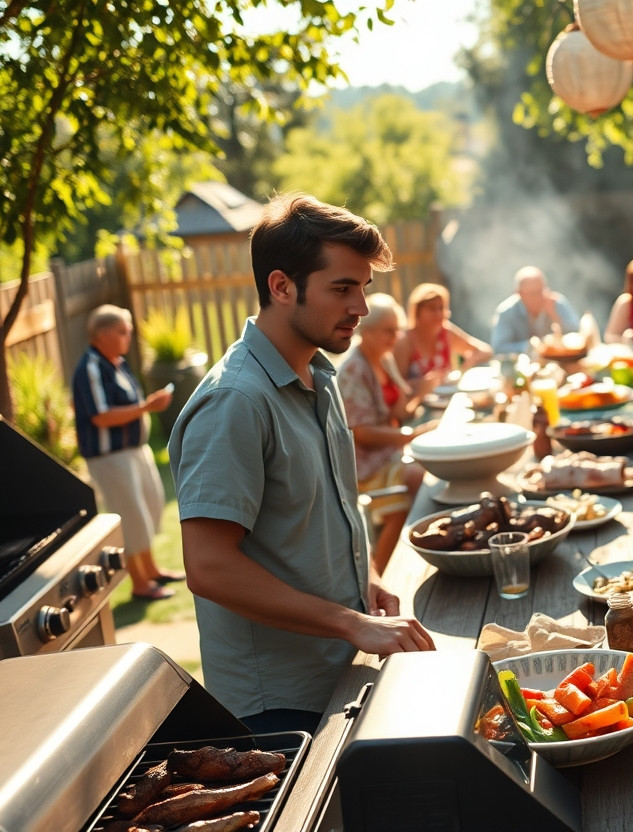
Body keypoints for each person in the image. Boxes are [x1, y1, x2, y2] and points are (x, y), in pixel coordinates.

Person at [169, 194, 435, 735]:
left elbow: (327, 510)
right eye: (342, 288)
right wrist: (349, 622)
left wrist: (369, 578)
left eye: (363, 287)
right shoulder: (235, 401)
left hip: (339, 669)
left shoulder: (319, 374)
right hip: (279, 705)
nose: (360, 307)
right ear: (281, 286)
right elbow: (208, 566)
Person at [71, 304, 181, 601]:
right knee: (130, 515)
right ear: (102, 334)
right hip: (110, 458)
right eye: (122, 331)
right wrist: (147, 406)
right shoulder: (91, 367)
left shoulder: (116, 362)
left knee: (151, 504)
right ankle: (140, 584)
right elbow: (101, 416)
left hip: (134, 450)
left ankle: (151, 568)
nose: (128, 337)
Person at [342, 294, 440, 575]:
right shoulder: (353, 370)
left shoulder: (383, 359)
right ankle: (379, 572)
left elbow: (399, 411)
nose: (395, 336)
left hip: (389, 452)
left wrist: (419, 393)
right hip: (364, 465)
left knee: (431, 470)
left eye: (396, 329)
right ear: (367, 331)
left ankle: (420, 551)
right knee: (422, 477)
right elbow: (360, 433)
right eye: (388, 330)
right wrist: (409, 437)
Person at [393, 282, 493, 382]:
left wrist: (466, 366)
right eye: (432, 308)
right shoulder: (405, 340)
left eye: (441, 308)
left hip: (448, 395)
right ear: (417, 311)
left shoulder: (446, 332)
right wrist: (423, 385)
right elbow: (399, 385)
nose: (439, 314)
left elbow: (485, 350)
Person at [489, 266, 580, 355]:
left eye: (542, 290)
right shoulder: (506, 311)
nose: (539, 297)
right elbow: (499, 348)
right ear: (519, 293)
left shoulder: (555, 302)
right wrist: (530, 346)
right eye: (533, 293)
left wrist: (555, 316)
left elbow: (578, 333)